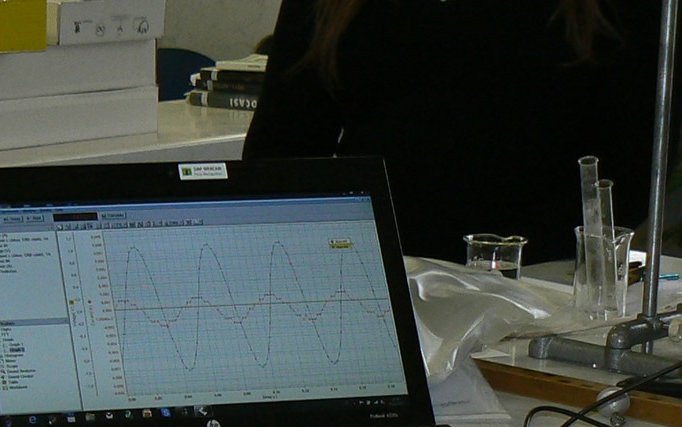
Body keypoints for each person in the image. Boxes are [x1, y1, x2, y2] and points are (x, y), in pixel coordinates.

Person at [243, 0, 670, 263]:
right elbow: (280, 152)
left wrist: (506, 265)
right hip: (378, 278)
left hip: (545, 288)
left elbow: (634, 166)